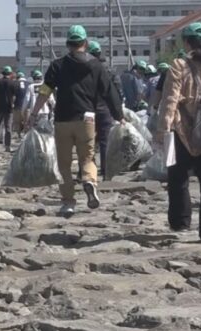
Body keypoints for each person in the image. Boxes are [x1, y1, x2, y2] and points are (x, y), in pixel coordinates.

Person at [28, 25, 124, 218]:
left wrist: (34, 113)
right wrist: (119, 115)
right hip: (87, 118)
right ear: (85, 43)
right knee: (87, 158)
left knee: (64, 164)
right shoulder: (96, 65)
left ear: (68, 44)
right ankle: (89, 180)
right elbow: (108, 91)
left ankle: (68, 202)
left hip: (63, 119)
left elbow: (45, 90)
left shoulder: (58, 65)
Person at [156, 22, 201, 244]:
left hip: (181, 131)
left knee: (178, 179)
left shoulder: (179, 65)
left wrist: (163, 129)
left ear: (186, 42)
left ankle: (181, 223)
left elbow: (170, 100)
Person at [88, 41, 118, 178]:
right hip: (105, 109)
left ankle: (85, 171)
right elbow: (116, 90)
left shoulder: (83, 69)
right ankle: (106, 172)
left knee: (87, 141)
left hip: (87, 109)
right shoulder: (109, 69)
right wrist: (118, 112)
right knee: (105, 140)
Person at [0, 66, 16, 152]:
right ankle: (7, 146)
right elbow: (14, 96)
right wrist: (12, 104)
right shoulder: (12, 83)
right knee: (8, 127)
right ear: (10, 74)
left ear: (3, 73)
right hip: (9, 108)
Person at [13, 71, 31, 137]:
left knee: (17, 122)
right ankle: (26, 135)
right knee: (26, 122)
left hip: (17, 105)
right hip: (27, 106)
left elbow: (13, 96)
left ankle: (19, 135)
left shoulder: (14, 83)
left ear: (17, 77)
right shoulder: (29, 84)